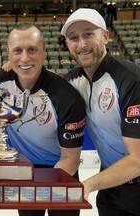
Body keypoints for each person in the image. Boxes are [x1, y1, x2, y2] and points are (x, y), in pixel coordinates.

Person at [0, 23, 86, 216]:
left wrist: (39, 189)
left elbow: (70, 159)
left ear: (44, 51)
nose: (24, 58)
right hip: (24, 173)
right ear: (8, 54)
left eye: (32, 50)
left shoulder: (67, 96)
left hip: (62, 173)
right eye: (17, 51)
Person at [61, 8, 140, 216]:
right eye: (74, 38)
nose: (82, 44)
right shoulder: (72, 81)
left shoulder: (132, 80)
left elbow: (137, 160)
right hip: (111, 187)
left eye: (88, 34)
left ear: (105, 36)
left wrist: (87, 184)